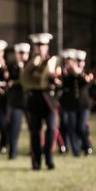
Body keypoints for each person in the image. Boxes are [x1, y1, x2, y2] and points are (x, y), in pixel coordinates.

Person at [22, 32, 60, 170]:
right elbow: (25, 79)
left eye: (43, 45)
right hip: (34, 99)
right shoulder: (29, 63)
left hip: (49, 100)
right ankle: (36, 161)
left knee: (51, 129)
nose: (41, 48)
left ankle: (49, 158)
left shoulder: (53, 61)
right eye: (38, 46)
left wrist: (55, 78)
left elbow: (59, 80)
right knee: (35, 132)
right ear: (34, 47)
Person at [6, 42, 30, 159]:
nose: (22, 56)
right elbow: (8, 81)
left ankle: (34, 151)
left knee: (34, 128)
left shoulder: (30, 66)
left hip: (29, 100)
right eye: (20, 53)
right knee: (14, 128)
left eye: (25, 53)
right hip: (15, 101)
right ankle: (12, 153)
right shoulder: (11, 66)